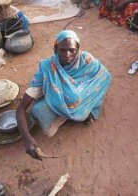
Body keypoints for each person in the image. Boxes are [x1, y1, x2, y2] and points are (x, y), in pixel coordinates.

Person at [16, 30, 111, 160]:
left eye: (72, 50)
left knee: (74, 97)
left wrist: (90, 106)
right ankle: (71, 114)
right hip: (58, 103)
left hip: (79, 100)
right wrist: (26, 137)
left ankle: (78, 112)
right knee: (37, 111)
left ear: (78, 49)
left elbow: (104, 77)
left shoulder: (87, 61)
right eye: (62, 50)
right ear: (56, 49)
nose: (67, 55)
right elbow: (21, 108)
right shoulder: (48, 68)